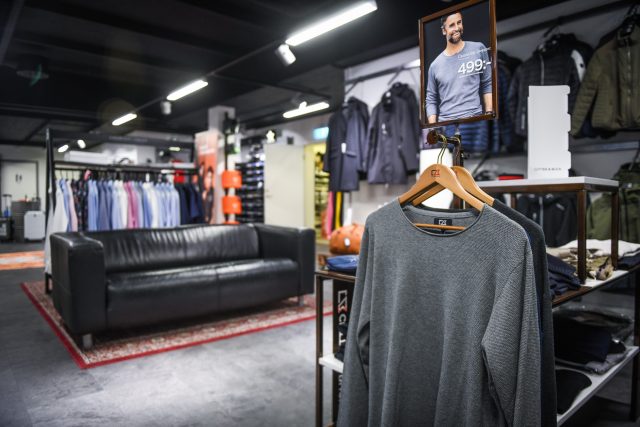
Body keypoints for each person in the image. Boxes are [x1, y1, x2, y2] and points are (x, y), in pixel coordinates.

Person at [426, 10, 493, 124]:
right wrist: (433, 127)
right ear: (444, 30)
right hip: (447, 124)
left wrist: (489, 114)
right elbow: (431, 99)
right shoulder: (434, 66)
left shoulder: (478, 49)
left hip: (475, 120)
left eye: (459, 22)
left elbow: (487, 83)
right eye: (452, 25)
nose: (457, 28)